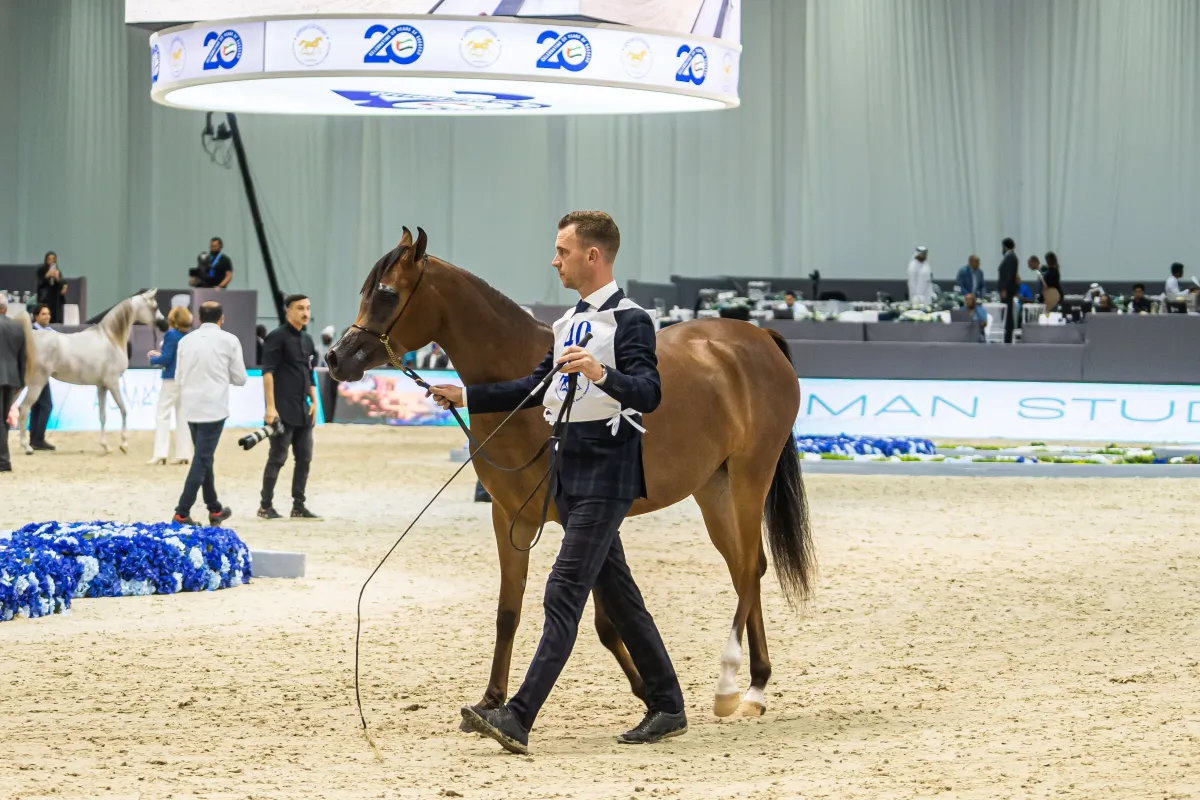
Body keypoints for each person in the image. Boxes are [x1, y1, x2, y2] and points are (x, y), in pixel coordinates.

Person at [429, 210, 686, 754]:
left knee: (562, 591)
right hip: (568, 468)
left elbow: (649, 392)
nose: (555, 260)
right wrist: (467, 396)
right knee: (620, 594)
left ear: (593, 256)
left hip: (609, 469)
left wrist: (600, 374)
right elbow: (533, 387)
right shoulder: (568, 322)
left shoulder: (632, 319)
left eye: (563, 251)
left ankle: (519, 715)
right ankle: (668, 703)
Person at [172, 301, 247, 526]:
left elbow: (178, 378)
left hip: (191, 407)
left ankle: (214, 509)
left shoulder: (185, 341)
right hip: (214, 408)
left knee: (204, 458)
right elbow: (240, 378)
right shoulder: (230, 341)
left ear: (198, 318)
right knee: (202, 459)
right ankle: (181, 512)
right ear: (221, 318)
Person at [257, 294, 320, 520]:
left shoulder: (308, 340)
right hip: (282, 408)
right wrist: (270, 408)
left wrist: (314, 401)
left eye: (308, 308)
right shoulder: (276, 338)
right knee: (277, 458)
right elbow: (268, 373)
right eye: (300, 308)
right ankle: (265, 506)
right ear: (288, 311)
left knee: (304, 458)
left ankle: (298, 506)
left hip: (303, 409)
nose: (305, 313)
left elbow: (309, 372)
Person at [147, 306, 194, 466]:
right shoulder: (189, 336)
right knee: (183, 416)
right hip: (186, 380)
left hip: (171, 379)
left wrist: (153, 359)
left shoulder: (171, 335)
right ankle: (184, 454)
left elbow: (167, 358)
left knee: (163, 415)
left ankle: (160, 453)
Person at [0, 294, 28, 473]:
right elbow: (23, 357)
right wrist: (21, 380)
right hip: (11, 377)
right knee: (4, 420)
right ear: (6, 308)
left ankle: (3, 460)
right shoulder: (17, 327)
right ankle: (4, 459)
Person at [27, 304, 55, 451]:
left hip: (45, 371)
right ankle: (38, 439)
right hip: (37, 371)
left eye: (48, 313)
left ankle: (34, 438)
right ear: (36, 316)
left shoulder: (50, 332)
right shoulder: (33, 332)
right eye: (44, 314)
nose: (47, 316)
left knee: (37, 405)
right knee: (47, 405)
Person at [997, 238, 1019, 343]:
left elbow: (1008, 275)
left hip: (1007, 290)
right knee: (1007, 313)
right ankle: (1007, 335)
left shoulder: (1010, 257)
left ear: (1005, 246)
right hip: (1009, 290)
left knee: (1007, 314)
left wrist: (1004, 288)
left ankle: (1008, 337)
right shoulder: (1012, 257)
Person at [36, 252, 68, 324]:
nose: (51, 261)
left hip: (55, 299)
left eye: (53, 259)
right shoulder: (41, 271)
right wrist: (46, 276)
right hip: (45, 299)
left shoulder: (58, 271)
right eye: (49, 259)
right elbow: (39, 284)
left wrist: (58, 279)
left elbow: (62, 285)